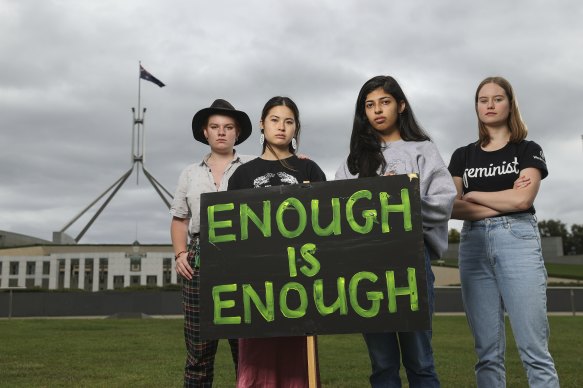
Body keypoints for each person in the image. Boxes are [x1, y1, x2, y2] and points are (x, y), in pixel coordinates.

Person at [335, 75, 456, 388]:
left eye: (385, 102)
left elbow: (444, 201)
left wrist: (399, 203)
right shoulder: (352, 162)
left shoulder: (423, 150)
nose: (377, 110)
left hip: (413, 263)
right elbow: (335, 211)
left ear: (400, 105)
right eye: (370, 105)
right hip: (367, 269)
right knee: (383, 364)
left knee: (420, 361)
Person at [448, 76, 560, 388]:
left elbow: (524, 199)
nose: (490, 105)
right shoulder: (462, 156)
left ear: (509, 104)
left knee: (534, 351)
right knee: (487, 353)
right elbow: (452, 208)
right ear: (476, 108)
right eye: (483, 100)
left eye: (497, 98)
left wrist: (475, 195)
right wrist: (505, 200)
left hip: (518, 241)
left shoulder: (527, 150)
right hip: (473, 244)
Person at [228, 96, 326, 388]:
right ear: (261, 123)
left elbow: (327, 226)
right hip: (257, 285)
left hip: (301, 281)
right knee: (257, 363)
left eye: (289, 121)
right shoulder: (242, 174)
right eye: (274, 119)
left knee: (298, 362)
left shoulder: (309, 171)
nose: (281, 127)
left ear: (296, 128)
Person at [170, 99, 254, 387]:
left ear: (237, 133)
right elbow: (180, 219)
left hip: (241, 257)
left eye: (228, 127)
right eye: (215, 127)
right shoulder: (190, 174)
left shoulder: (253, 168)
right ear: (205, 132)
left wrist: (298, 159)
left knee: (244, 351)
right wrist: (181, 253)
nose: (222, 132)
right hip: (199, 257)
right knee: (199, 351)